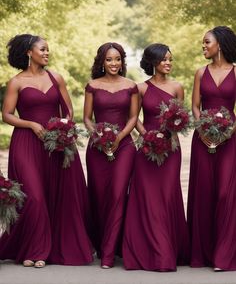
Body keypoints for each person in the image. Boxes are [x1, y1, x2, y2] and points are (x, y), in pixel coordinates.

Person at [0, 34, 93, 267]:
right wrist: (31, 123)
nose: (46, 53)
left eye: (48, 50)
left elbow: (69, 112)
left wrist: (60, 129)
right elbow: (7, 115)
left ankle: (41, 251)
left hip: (56, 145)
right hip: (26, 143)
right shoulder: (17, 82)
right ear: (29, 53)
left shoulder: (57, 78)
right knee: (35, 196)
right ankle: (35, 249)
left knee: (56, 195)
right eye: (42, 49)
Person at [122, 43, 189, 271]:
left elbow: (181, 118)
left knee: (166, 197)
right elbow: (133, 117)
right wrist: (148, 136)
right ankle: (147, 252)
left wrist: (170, 134)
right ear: (153, 62)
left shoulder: (178, 87)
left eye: (171, 59)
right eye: (164, 59)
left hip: (171, 149)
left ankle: (167, 251)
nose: (169, 63)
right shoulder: (139, 88)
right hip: (148, 148)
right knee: (148, 199)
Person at [83, 42, 138, 268]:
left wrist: (118, 137)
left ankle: (108, 253)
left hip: (124, 147)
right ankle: (102, 242)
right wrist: (98, 135)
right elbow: (87, 118)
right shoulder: (92, 86)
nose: (114, 63)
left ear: (122, 61)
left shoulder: (131, 85)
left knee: (117, 194)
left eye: (117, 59)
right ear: (102, 62)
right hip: (97, 147)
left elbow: (134, 117)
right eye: (109, 60)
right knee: (98, 196)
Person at [187, 26, 236, 271]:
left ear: (221, 43)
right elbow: (195, 106)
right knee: (204, 193)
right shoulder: (199, 72)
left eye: (207, 42)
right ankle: (203, 254)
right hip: (203, 140)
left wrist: (227, 132)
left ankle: (224, 255)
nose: (203, 46)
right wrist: (203, 130)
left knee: (226, 194)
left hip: (230, 140)